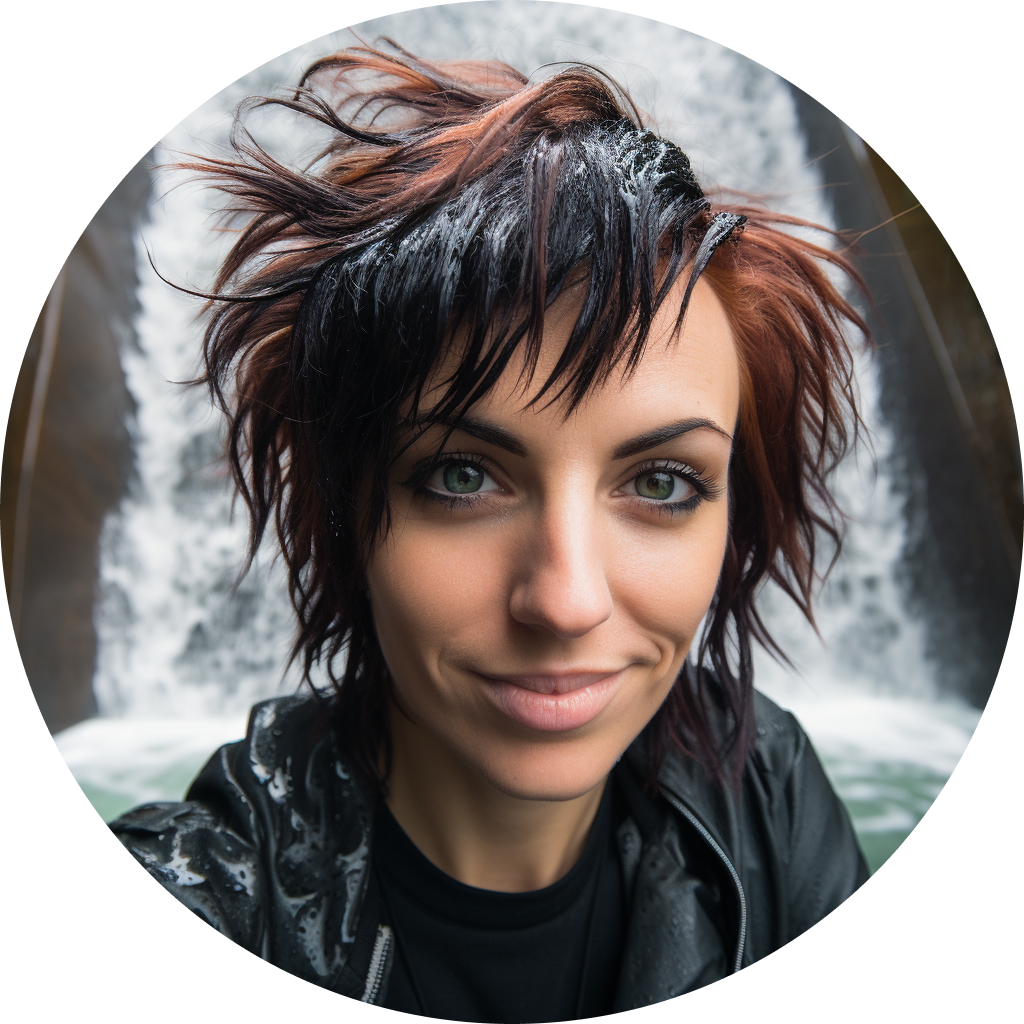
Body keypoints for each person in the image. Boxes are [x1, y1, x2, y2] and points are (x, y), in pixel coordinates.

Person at [109, 40, 870, 1017]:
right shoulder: (215, 887)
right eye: (461, 477)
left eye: (663, 482)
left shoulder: (768, 793)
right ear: (345, 511)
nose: (566, 601)